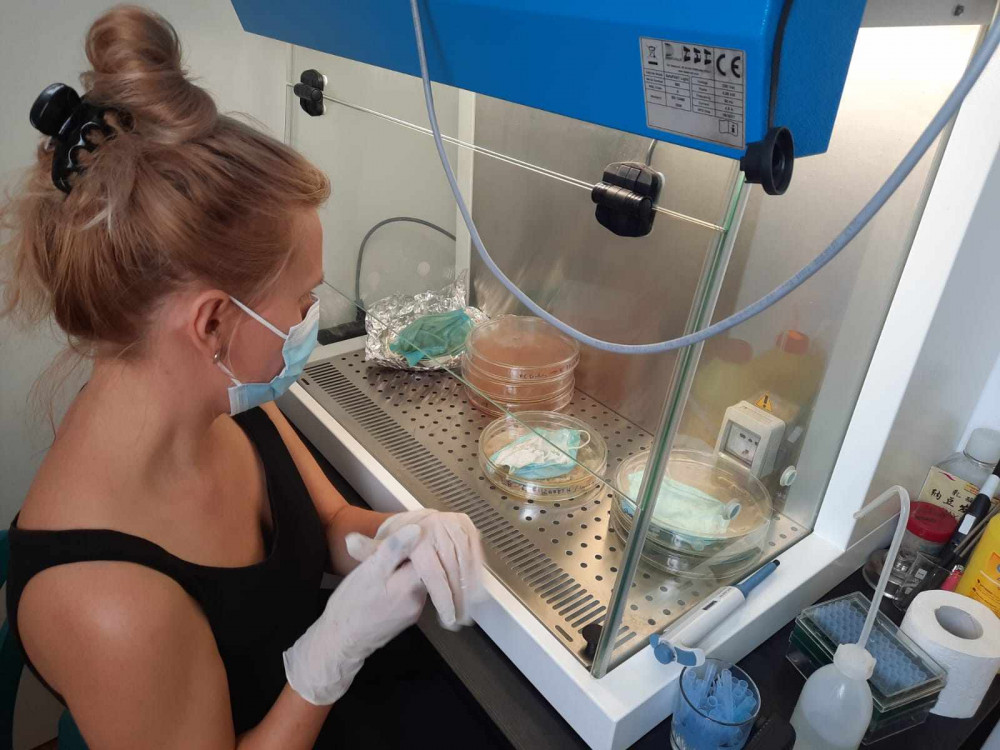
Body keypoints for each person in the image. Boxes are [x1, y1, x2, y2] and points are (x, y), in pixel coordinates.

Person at [1, 6, 488, 748]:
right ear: (212, 324)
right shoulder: (107, 602)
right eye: (303, 299)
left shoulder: (212, 397)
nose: (311, 318)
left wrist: (399, 537)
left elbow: (328, 523)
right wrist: (325, 660)